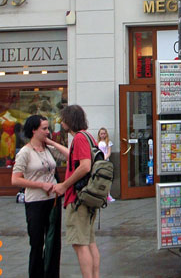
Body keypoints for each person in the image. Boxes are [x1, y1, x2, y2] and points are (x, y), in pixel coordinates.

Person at [11, 115, 68, 278]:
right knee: (37, 243)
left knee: (54, 243)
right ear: (34, 130)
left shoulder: (48, 149)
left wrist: (51, 142)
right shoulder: (25, 152)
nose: (47, 131)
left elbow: (70, 156)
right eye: (44, 128)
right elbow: (15, 179)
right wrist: (41, 185)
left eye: (48, 128)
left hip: (53, 201)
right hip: (35, 202)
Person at [53, 105, 101, 278]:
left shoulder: (79, 138)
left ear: (69, 120)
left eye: (63, 119)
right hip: (89, 196)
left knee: (80, 244)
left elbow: (85, 166)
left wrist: (64, 185)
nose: (62, 122)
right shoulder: (88, 136)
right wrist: (53, 144)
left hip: (78, 197)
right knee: (89, 241)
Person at [97, 127, 115, 202]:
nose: (103, 135)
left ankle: (108, 194)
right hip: (98, 161)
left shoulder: (108, 142)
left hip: (105, 161)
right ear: (99, 134)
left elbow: (109, 152)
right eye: (101, 133)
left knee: (107, 178)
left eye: (104, 133)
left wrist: (104, 158)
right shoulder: (97, 142)